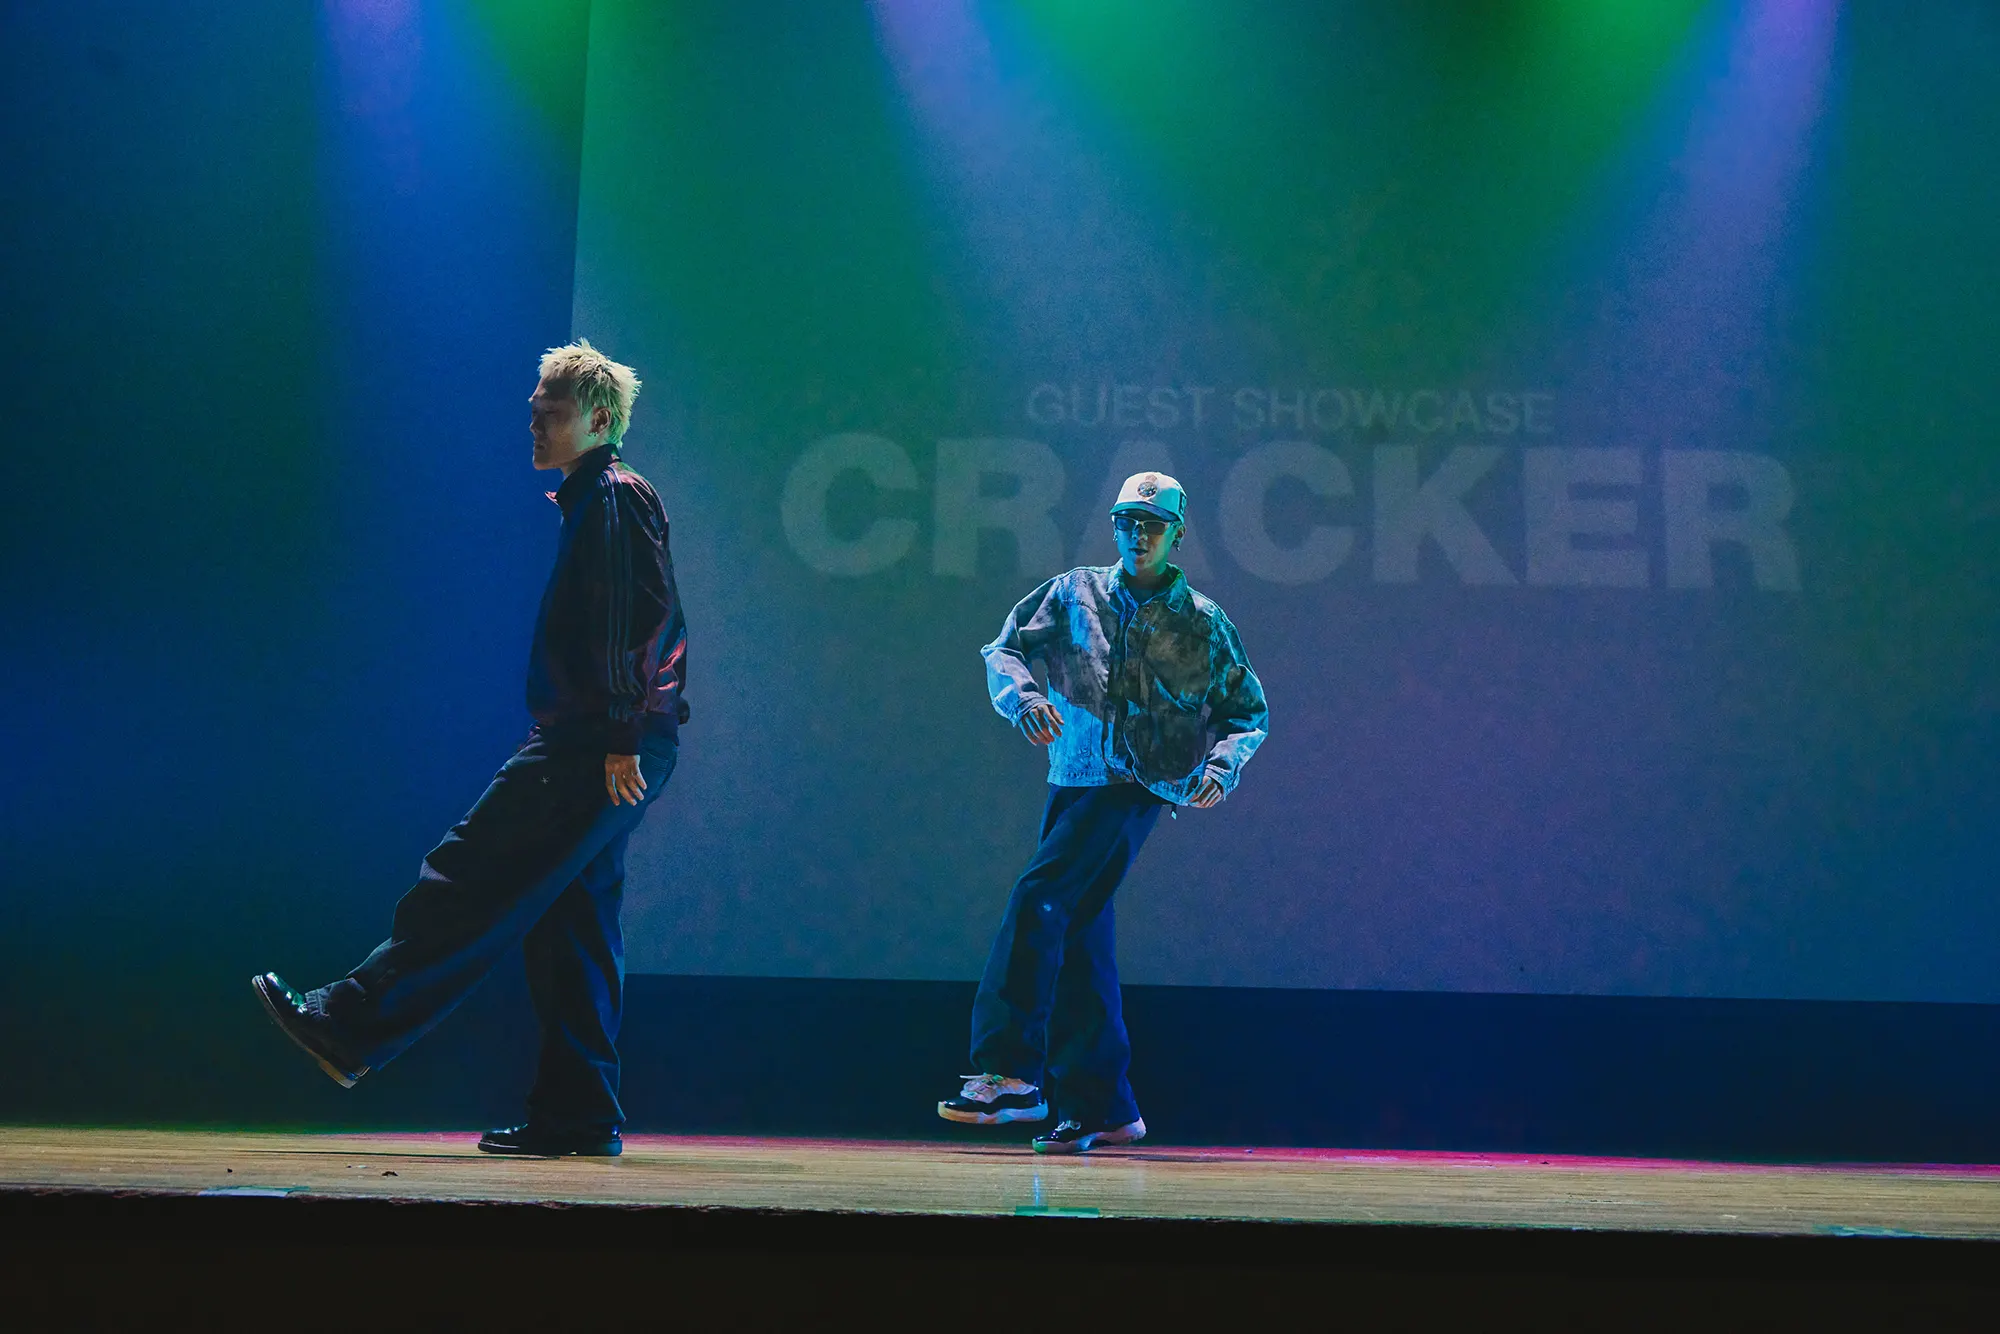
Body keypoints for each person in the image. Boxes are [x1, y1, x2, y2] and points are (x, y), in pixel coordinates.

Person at [252, 340, 687, 1158]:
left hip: (594, 746)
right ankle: (579, 1116)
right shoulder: (595, 498)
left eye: (550, 412)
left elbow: (641, 618)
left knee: (468, 873)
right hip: (606, 742)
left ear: (600, 419)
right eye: (532, 411)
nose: (534, 424)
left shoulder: (616, 496)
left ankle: (347, 1023)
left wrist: (622, 733)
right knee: (574, 934)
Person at [939, 472, 1269, 1153]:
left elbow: (1246, 711)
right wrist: (1024, 698)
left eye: (1152, 525)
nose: (1138, 535)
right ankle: (1104, 1106)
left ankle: (1010, 1072)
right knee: (1080, 933)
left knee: (1041, 899)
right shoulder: (1074, 593)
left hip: (1140, 781)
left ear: (1177, 534)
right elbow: (1004, 648)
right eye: (1127, 522)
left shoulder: (1201, 620)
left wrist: (1220, 767)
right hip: (1074, 776)